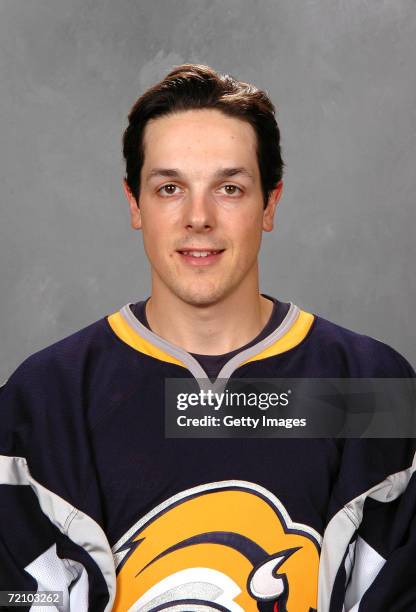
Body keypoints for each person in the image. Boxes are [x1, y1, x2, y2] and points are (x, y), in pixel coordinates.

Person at [0, 63, 415, 612]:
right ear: (134, 204)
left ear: (270, 203)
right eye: (170, 188)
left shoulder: (367, 387)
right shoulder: (47, 398)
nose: (199, 217)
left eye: (230, 188)